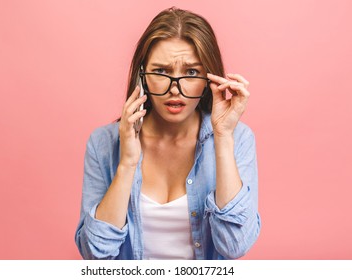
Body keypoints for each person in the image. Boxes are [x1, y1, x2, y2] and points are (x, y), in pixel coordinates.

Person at [75, 7, 261, 260]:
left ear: (210, 79)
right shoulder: (104, 143)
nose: (176, 88)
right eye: (161, 71)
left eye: (191, 72)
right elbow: (95, 255)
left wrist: (223, 138)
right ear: (142, 75)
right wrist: (127, 162)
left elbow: (234, 245)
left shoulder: (237, 138)